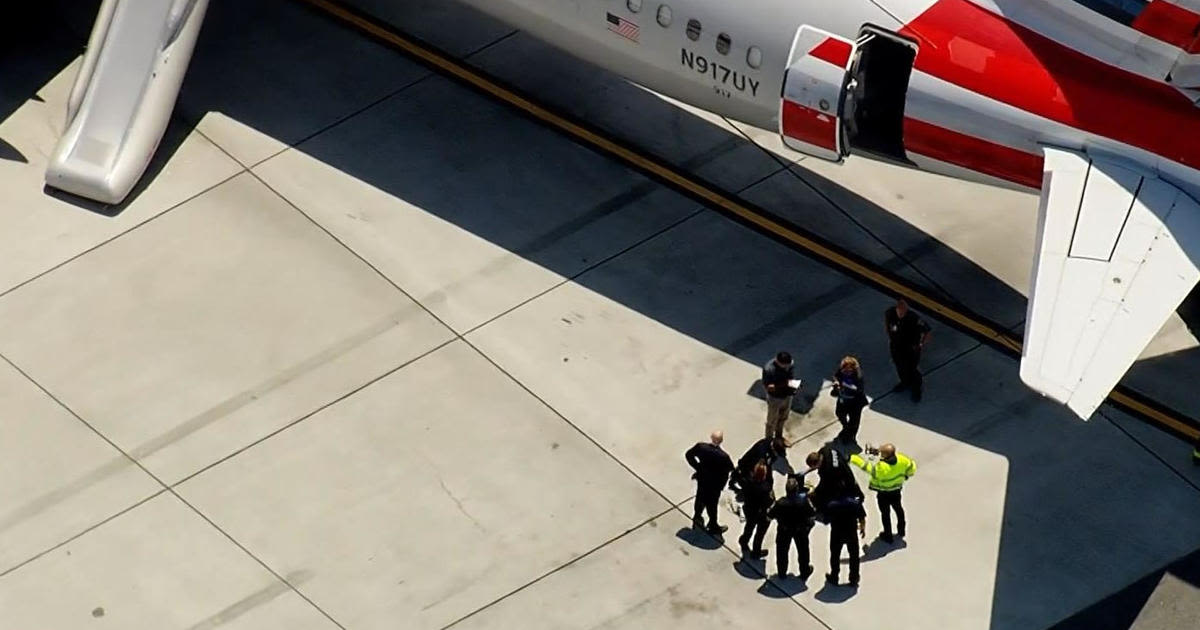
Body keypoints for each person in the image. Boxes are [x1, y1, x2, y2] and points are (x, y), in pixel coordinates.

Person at [851, 443, 917, 543]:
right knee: (899, 510)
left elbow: (867, 467)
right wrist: (905, 476)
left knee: (885, 514)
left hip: (883, 494)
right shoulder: (903, 459)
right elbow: (912, 469)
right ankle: (901, 531)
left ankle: (888, 535)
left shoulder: (882, 468)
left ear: (886, 456)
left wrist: (853, 458)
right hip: (896, 491)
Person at [685, 430, 734, 535]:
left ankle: (697, 516)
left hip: (702, 479)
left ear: (711, 438)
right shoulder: (724, 456)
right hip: (714, 484)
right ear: (721, 441)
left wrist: (698, 467)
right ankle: (713, 525)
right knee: (712, 505)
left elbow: (689, 455)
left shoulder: (701, 447)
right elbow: (730, 468)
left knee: (700, 497)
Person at [767, 477, 817, 579]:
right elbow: (813, 514)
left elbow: (769, 516)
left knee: (782, 552)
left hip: (784, 530)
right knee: (803, 552)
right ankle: (804, 571)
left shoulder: (780, 503)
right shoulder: (804, 501)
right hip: (800, 530)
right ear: (797, 489)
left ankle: (782, 572)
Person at [884, 298, 932, 401]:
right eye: (899, 311)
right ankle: (904, 383)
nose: (901, 314)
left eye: (903, 312)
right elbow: (887, 325)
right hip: (896, 346)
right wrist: (890, 336)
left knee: (911, 369)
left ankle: (916, 389)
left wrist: (921, 344)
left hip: (911, 349)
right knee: (899, 366)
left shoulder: (913, 318)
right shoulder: (890, 313)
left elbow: (927, 331)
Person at [825, 488, 867, 587]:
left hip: (837, 533)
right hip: (851, 533)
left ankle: (834, 576)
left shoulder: (832, 505)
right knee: (854, 556)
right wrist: (862, 528)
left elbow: (826, 520)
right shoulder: (855, 503)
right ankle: (854, 578)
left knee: (835, 555)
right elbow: (862, 517)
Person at [738, 461, 774, 558]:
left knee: (749, 526)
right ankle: (756, 551)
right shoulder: (765, 488)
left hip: (749, 509)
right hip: (760, 513)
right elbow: (769, 501)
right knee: (760, 533)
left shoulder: (747, 482)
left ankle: (744, 540)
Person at [762, 352, 799, 439]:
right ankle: (768, 440)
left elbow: (791, 376)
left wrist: (793, 385)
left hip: (787, 395)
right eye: (785, 366)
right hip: (775, 398)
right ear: (778, 362)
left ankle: (779, 436)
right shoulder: (769, 369)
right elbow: (769, 387)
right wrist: (784, 384)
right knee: (771, 421)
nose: (787, 367)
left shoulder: (790, 364)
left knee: (783, 417)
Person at [831, 356, 868, 444]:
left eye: (849, 371)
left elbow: (858, 389)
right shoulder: (841, 372)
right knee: (839, 413)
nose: (846, 372)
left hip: (855, 402)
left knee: (854, 421)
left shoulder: (858, 378)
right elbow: (836, 376)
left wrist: (843, 384)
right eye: (844, 370)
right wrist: (836, 382)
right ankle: (846, 428)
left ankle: (850, 436)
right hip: (843, 399)